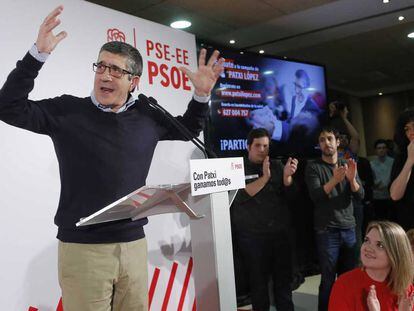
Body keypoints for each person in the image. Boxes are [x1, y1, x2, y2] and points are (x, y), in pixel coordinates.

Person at [0, 6, 224, 311]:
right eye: (101, 67)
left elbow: (188, 130)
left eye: (116, 70)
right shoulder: (67, 111)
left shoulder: (148, 114)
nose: (105, 75)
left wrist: (200, 96)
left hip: (133, 246)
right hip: (83, 250)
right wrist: (36, 55)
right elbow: (8, 107)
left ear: (134, 81)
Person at [230, 128, 298, 311]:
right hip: (252, 239)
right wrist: (265, 178)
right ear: (248, 146)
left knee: (283, 286)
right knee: (258, 287)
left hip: (279, 236)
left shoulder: (276, 166)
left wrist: (287, 178)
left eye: (266, 146)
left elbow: (291, 196)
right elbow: (242, 195)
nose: (262, 149)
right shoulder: (237, 167)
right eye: (258, 145)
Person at [305, 126, 364, 311]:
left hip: (349, 228)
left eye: (330, 138)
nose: (326, 143)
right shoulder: (313, 166)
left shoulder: (348, 164)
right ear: (319, 145)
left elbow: (360, 195)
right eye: (322, 140)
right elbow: (316, 196)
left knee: (350, 278)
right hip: (327, 230)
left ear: (337, 142)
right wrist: (335, 180)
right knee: (328, 279)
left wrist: (352, 179)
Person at [329, 221, 414, 311]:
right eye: (366, 240)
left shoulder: (405, 290)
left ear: (396, 254)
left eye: (380, 245)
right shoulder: (344, 284)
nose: (368, 248)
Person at [390, 108, 414, 230]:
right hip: (409, 226)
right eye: (407, 129)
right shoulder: (401, 158)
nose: (411, 132)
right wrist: (410, 160)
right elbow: (394, 195)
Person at [370, 139, 395, 221]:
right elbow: (370, 180)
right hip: (377, 196)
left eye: (384, 148)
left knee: (392, 219)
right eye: (379, 148)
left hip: (391, 195)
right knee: (380, 220)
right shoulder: (371, 164)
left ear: (387, 149)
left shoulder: (393, 162)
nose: (381, 150)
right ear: (376, 150)